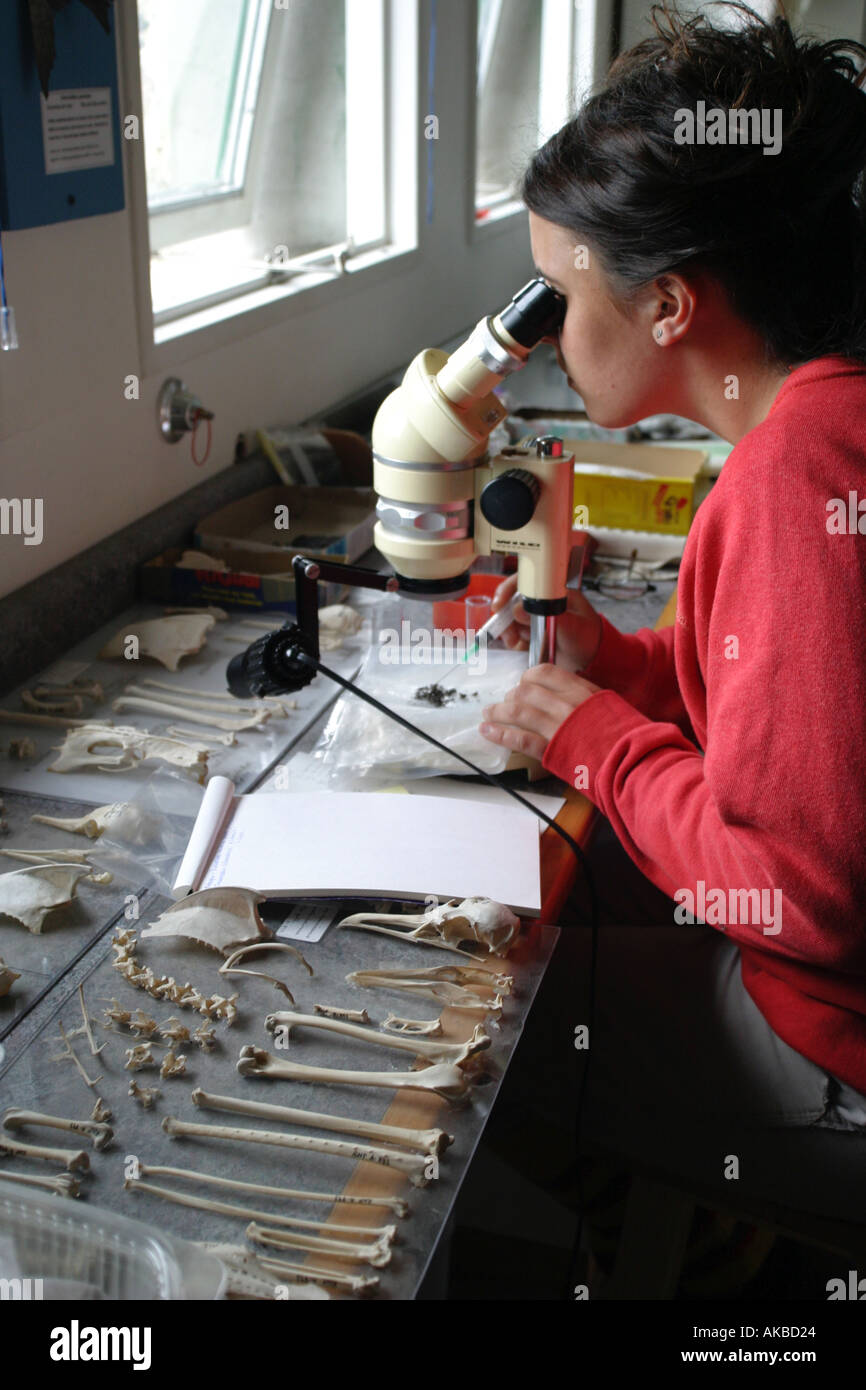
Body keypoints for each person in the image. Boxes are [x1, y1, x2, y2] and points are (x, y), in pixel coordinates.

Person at [475, 2, 866, 1295]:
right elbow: (783, 712)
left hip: (835, 1049)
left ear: (667, 305)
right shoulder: (820, 415)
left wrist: (593, 741)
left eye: (558, 287)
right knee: (567, 907)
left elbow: (800, 892)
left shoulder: (794, 475)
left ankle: (714, 1258)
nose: (535, 330)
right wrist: (612, 662)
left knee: (481, 1035)